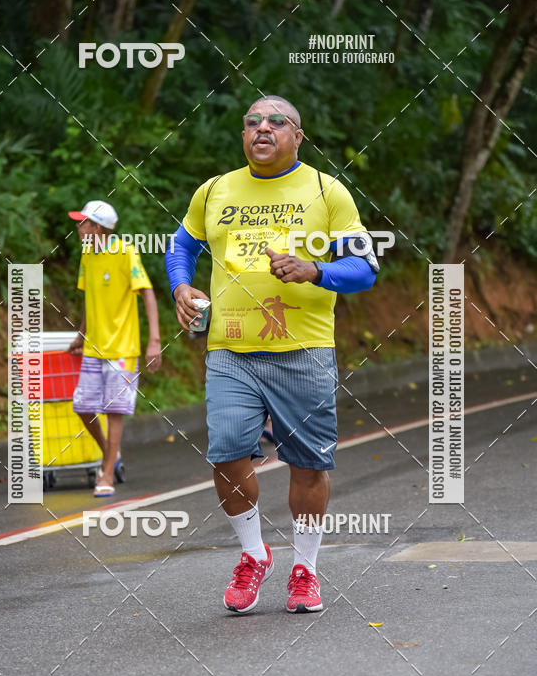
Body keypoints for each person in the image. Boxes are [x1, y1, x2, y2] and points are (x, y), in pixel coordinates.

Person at [166, 95, 379, 614]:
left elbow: (366, 269)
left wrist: (315, 270)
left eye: (276, 121)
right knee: (226, 452)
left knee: (307, 463)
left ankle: (305, 569)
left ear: (297, 135)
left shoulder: (328, 191)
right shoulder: (215, 190)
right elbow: (182, 245)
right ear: (243, 135)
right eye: (252, 122)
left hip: (302, 350)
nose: (263, 128)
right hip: (231, 349)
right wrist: (180, 286)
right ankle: (253, 554)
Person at [67, 200, 162, 497]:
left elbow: (147, 293)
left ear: (97, 227)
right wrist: (81, 335)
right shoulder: (87, 256)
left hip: (122, 348)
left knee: (114, 410)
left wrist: (155, 340)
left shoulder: (125, 252)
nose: (78, 227)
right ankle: (112, 453)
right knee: (82, 406)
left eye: (83, 223)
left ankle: (107, 472)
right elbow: (90, 299)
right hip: (94, 347)